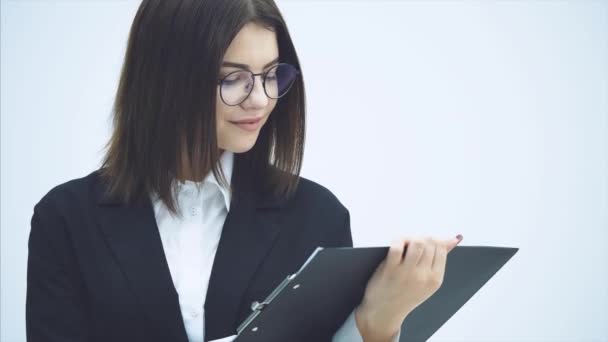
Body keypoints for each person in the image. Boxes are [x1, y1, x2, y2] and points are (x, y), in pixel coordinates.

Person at [25, 0, 463, 341]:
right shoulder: (65, 220)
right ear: (164, 80)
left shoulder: (317, 215)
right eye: (233, 78)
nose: (260, 99)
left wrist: (379, 320)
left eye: (272, 74)